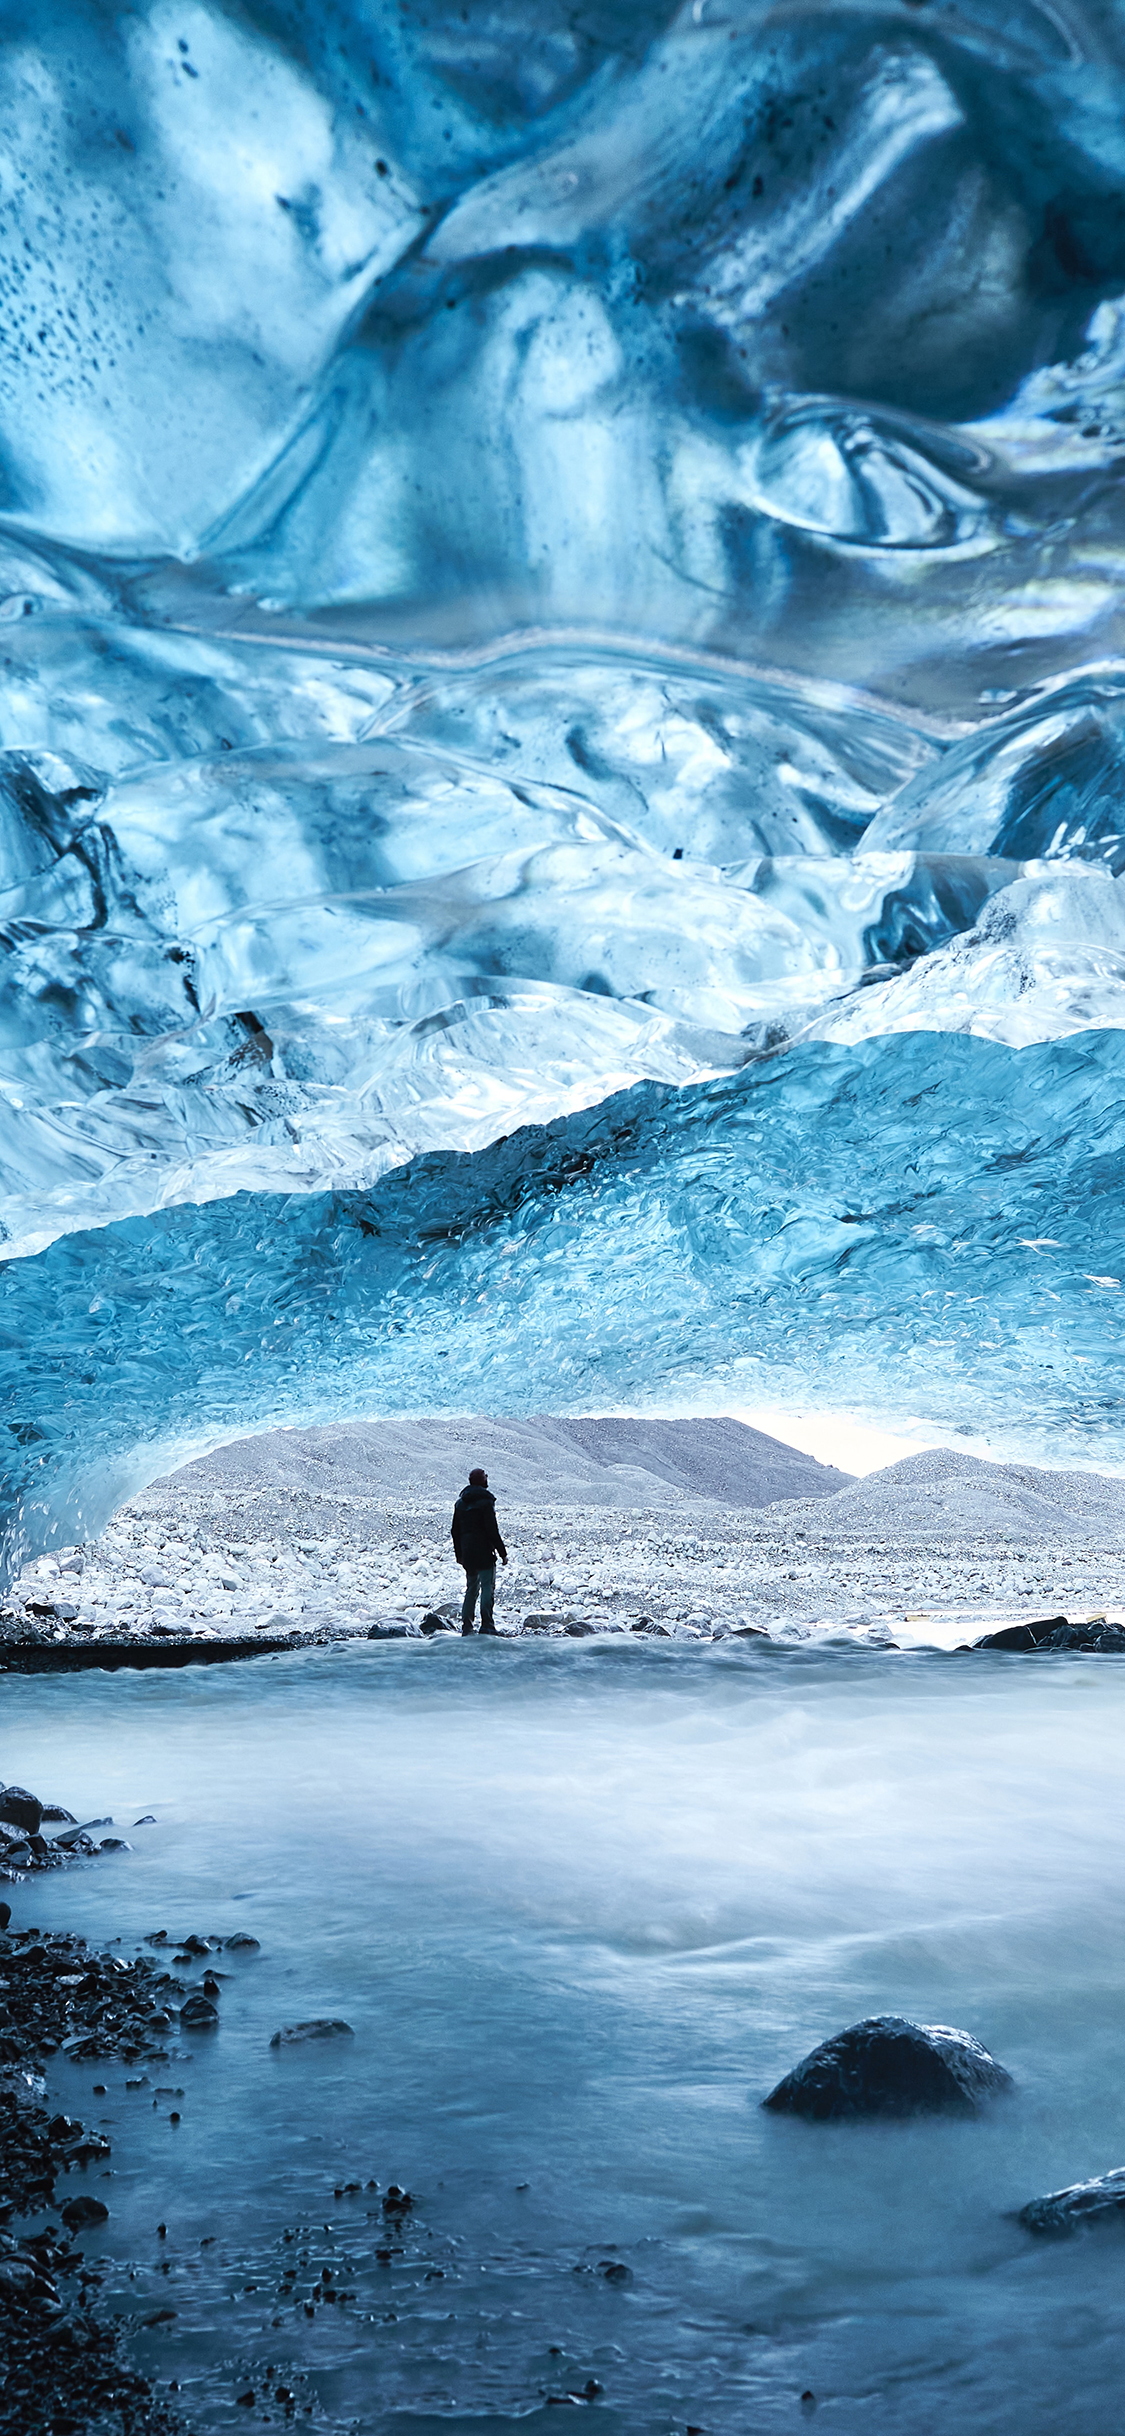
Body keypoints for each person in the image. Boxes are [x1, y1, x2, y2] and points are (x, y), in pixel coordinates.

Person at [451, 1467, 508, 1634]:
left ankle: (467, 1626)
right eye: (485, 1477)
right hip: (484, 1552)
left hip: (467, 1552)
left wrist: (459, 1554)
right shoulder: (486, 1502)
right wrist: (502, 1553)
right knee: (487, 1587)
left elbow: (455, 1531)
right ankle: (487, 1625)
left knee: (471, 1589)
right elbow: (492, 1530)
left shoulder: (460, 1503)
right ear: (483, 1480)